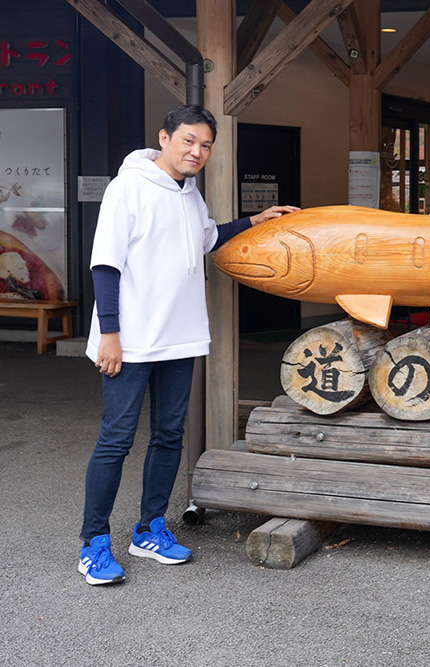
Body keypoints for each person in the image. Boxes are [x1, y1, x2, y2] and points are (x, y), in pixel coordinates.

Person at [78, 104, 299, 585]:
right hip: (131, 341)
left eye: (205, 145)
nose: (196, 151)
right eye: (188, 141)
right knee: (115, 440)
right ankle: (93, 542)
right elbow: (105, 264)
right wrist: (110, 335)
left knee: (169, 436)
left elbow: (206, 239)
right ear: (164, 137)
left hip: (179, 337)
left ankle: (149, 529)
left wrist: (254, 220)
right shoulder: (128, 187)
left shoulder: (189, 192)